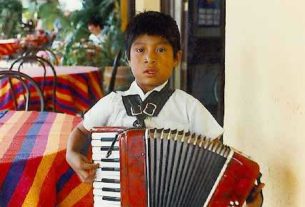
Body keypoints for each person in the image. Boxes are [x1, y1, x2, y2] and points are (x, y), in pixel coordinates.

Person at [66, 11, 263, 207]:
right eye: (140, 50)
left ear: (176, 58)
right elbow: (82, 130)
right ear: (128, 57)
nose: (149, 58)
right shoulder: (112, 103)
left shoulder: (188, 107)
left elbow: (217, 160)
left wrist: (243, 191)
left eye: (160, 50)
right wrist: (72, 153)